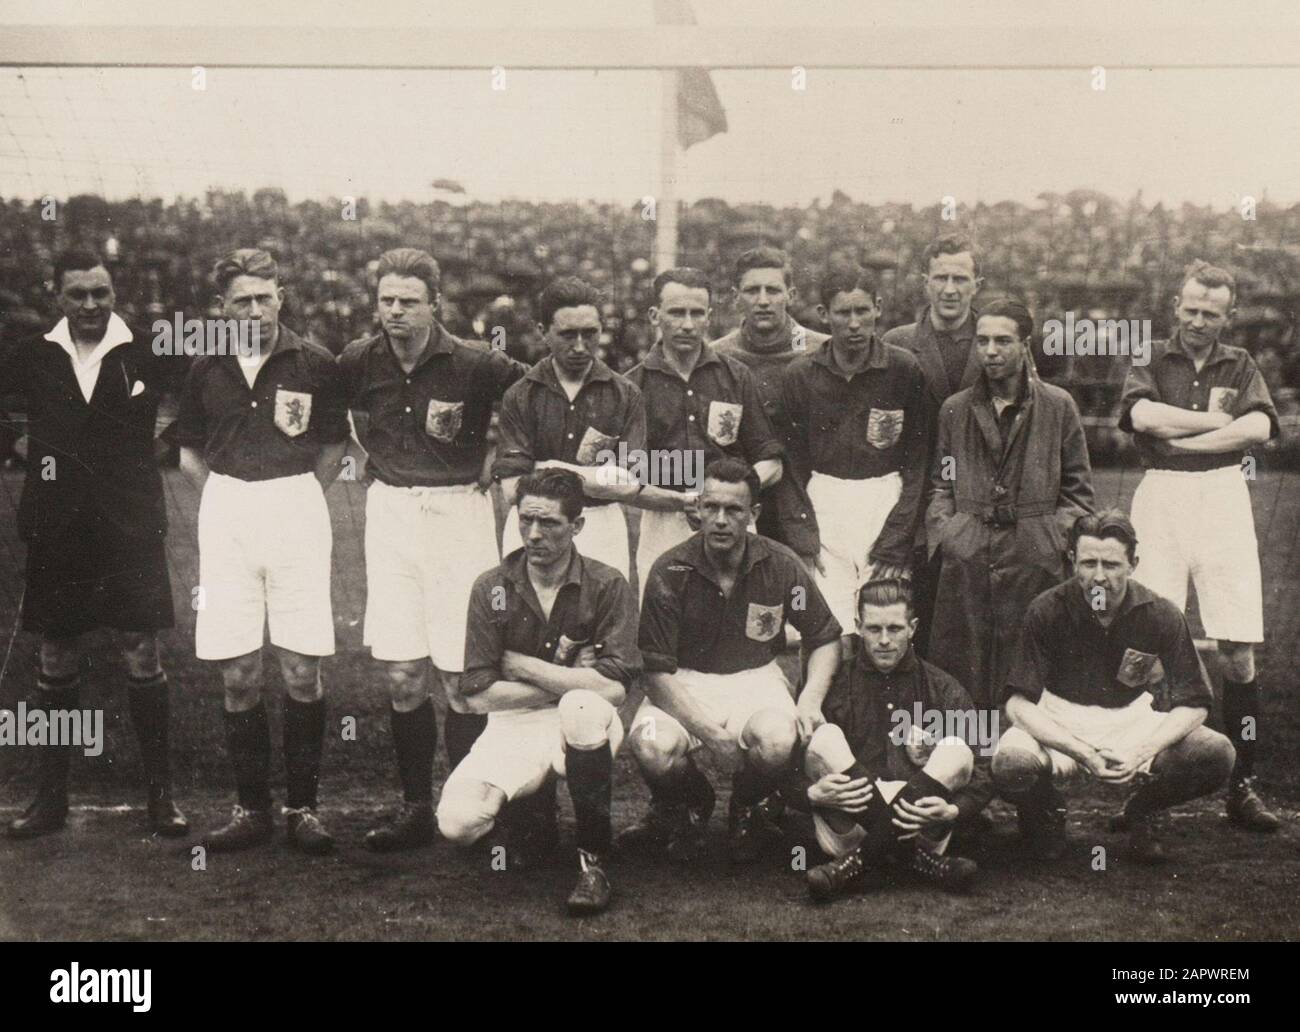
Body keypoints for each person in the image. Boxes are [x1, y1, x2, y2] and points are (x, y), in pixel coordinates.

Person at [337, 247, 527, 851]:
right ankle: (416, 806)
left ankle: (471, 799)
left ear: (435, 304)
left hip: (458, 516)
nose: (396, 312)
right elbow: (330, 417)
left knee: (464, 676)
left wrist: (503, 460)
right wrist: (364, 458)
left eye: (409, 301)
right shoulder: (358, 361)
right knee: (401, 672)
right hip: (391, 513)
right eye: (386, 301)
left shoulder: (476, 363)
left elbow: (532, 398)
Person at [1, 248, 186, 839]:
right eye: (77, 294)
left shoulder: (149, 350)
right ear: (57, 295)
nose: (90, 305)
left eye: (100, 293)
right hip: (56, 528)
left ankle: (162, 799)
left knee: (141, 650)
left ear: (114, 294)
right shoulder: (33, 355)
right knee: (55, 656)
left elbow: (198, 406)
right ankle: (49, 801)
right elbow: (7, 421)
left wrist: (150, 456)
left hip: (130, 528)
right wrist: (29, 454)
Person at [175, 248, 349, 854]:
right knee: (239, 671)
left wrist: (293, 497)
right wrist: (227, 499)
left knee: (303, 667)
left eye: (264, 296)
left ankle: (303, 807)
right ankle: (250, 809)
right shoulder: (204, 368)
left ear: (282, 296)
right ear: (222, 309)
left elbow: (332, 447)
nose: (255, 309)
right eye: (241, 300)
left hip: (296, 507)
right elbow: (188, 448)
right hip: (227, 512)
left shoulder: (317, 363)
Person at [1118, 261, 1281, 832]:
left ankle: (1243, 786)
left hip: (1222, 497)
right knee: (1147, 646)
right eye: (1190, 309)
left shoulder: (1242, 364)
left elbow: (1258, 429)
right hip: (1160, 500)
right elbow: (1141, 415)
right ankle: (1147, 789)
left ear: (1228, 317)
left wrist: (1180, 436)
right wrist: (1212, 427)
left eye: (1211, 313)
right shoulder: (1149, 356)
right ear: (1175, 306)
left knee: (1238, 649)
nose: (1198, 321)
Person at [437, 470, 639, 915]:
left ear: (577, 526)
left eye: (549, 523)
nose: (533, 533)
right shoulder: (491, 587)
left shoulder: (606, 585)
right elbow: (477, 695)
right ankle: (530, 822)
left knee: (583, 706)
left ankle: (593, 863)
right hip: (514, 723)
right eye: (526, 520)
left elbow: (614, 690)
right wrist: (564, 678)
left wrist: (522, 666)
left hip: (586, 721)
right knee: (458, 823)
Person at [622, 458, 842, 864]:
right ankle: (689, 803)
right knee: (650, 744)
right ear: (698, 510)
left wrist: (810, 699)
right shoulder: (669, 570)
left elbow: (825, 636)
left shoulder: (780, 564)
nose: (720, 520)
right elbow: (654, 672)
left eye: (734, 510)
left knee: (777, 739)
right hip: (682, 682)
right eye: (711, 508)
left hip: (754, 678)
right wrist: (713, 735)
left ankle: (749, 807)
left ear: (753, 514)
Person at [991, 510, 1236, 863]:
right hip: (1058, 715)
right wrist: (1084, 753)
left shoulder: (1161, 613)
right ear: (1072, 560)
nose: (1099, 577)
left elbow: (1195, 701)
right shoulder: (1046, 610)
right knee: (1010, 764)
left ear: (1133, 563)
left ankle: (1142, 809)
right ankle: (1046, 812)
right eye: (1089, 563)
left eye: (1112, 565)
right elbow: (1016, 704)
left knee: (1216, 753)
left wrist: (1140, 753)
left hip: (1130, 719)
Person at [926, 297, 1094, 709]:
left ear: (1026, 345)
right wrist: (951, 534)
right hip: (967, 554)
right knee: (961, 666)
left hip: (1033, 556)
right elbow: (942, 484)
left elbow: (1078, 492)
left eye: (1003, 341)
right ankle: (966, 755)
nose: (990, 351)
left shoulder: (1058, 407)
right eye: (982, 341)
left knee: (1032, 665)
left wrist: (1051, 538)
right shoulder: (955, 410)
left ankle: (1026, 754)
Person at [800, 579, 983, 901]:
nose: (884, 640)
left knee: (956, 749)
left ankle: (854, 865)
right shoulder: (831, 684)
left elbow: (985, 762)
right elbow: (787, 760)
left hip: (922, 824)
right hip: (848, 826)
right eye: (873, 629)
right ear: (857, 627)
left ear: (912, 628)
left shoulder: (942, 686)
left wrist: (955, 810)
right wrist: (810, 793)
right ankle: (919, 862)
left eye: (895, 629)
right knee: (824, 736)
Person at [781, 267, 930, 646]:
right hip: (825, 500)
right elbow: (791, 464)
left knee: (884, 629)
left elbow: (919, 462)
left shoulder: (903, 368)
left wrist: (898, 535)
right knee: (830, 633)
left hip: (884, 498)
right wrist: (802, 533)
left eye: (862, 311)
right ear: (822, 313)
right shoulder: (800, 374)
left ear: (878, 309)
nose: (853, 323)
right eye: (843, 313)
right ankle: (822, 706)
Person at [625, 269, 785, 597]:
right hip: (665, 518)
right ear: (655, 315)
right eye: (676, 312)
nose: (687, 324)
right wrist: (681, 498)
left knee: (737, 623)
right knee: (663, 626)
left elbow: (771, 461)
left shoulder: (736, 376)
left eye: (697, 313)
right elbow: (626, 473)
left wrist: (730, 494)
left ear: (709, 317)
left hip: (730, 516)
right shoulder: (631, 386)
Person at [495, 276, 644, 578]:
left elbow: (629, 481)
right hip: (536, 523)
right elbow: (512, 488)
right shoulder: (521, 394)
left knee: (604, 617)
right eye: (567, 334)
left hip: (601, 523)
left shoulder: (625, 394)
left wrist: (547, 467)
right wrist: (597, 478)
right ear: (543, 332)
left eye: (590, 333)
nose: (579, 346)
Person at [882, 235, 984, 652]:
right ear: (925, 282)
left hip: (979, 497)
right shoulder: (898, 342)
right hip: (914, 494)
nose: (950, 288)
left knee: (974, 623)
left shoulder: (999, 338)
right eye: (941, 277)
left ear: (978, 283)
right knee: (912, 613)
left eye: (960, 278)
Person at [713, 246, 829, 559]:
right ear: (736, 296)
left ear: (790, 294)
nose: (763, 300)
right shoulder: (718, 356)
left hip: (814, 497)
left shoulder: (821, 350)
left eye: (773, 290)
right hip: (745, 500)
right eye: (752, 290)